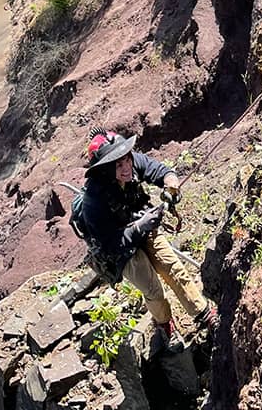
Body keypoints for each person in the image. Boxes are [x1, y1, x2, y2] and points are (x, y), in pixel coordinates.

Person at [74, 129, 216, 352]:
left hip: (143, 225)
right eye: (118, 165)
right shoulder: (94, 200)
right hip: (121, 249)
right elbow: (110, 244)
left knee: (173, 269)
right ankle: (164, 324)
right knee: (152, 289)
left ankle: (203, 314)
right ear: (105, 168)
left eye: (127, 160)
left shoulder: (132, 162)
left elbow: (160, 171)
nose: (126, 167)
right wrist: (141, 225)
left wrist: (171, 186)